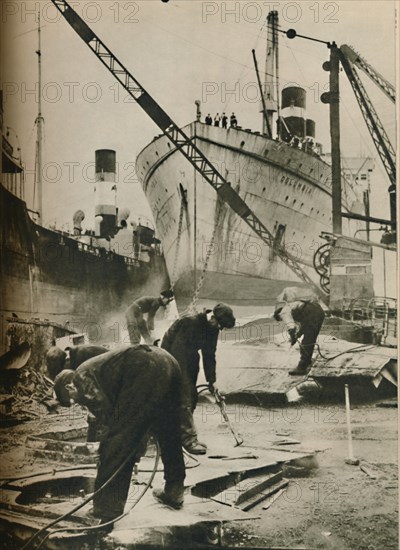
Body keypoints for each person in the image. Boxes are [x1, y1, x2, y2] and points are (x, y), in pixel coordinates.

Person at [54, 345, 186, 522]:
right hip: (169, 361)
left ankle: (106, 510)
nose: (77, 402)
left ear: (69, 386)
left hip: (144, 366)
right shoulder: (98, 371)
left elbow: (112, 421)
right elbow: (135, 415)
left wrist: (111, 448)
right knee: (167, 429)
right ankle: (174, 490)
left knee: (117, 441)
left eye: (72, 400)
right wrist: (138, 440)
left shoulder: (80, 378)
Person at [161, 303, 235, 455]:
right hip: (170, 358)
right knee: (184, 398)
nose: (219, 329)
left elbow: (209, 355)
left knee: (193, 397)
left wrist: (211, 381)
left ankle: (181, 434)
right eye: (220, 325)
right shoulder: (190, 322)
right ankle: (188, 440)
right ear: (212, 317)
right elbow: (178, 351)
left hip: (190, 357)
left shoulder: (213, 328)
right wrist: (183, 381)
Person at [273, 287, 325, 376]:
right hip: (318, 311)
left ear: (278, 315)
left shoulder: (284, 312)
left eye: (280, 319)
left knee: (306, 342)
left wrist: (293, 338)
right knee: (310, 338)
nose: (282, 320)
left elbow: (291, 327)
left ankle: (302, 367)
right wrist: (298, 335)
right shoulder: (294, 306)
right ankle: (307, 361)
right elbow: (304, 326)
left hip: (311, 312)